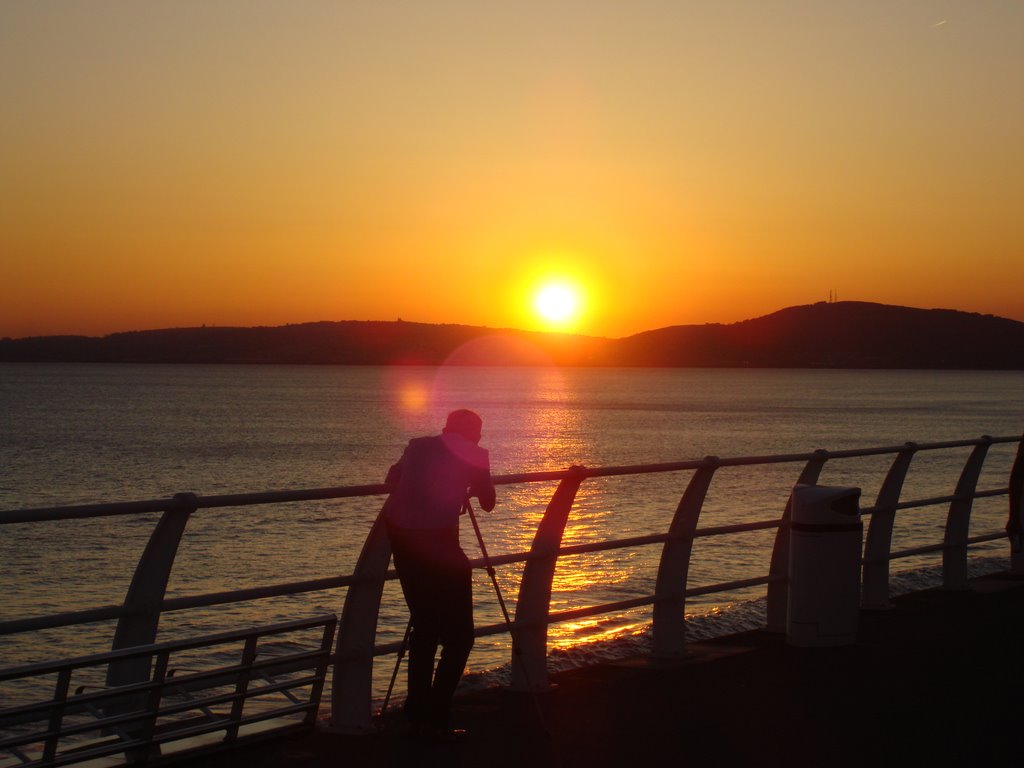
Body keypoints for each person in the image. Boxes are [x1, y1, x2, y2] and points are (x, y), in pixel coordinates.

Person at [384, 409, 496, 738]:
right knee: (461, 638)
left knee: (425, 627)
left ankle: (417, 711)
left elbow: (393, 478)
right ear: (474, 433)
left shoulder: (417, 446)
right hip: (440, 542)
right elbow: (488, 501)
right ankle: (436, 715)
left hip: (402, 539)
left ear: (445, 428)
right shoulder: (476, 454)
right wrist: (467, 487)